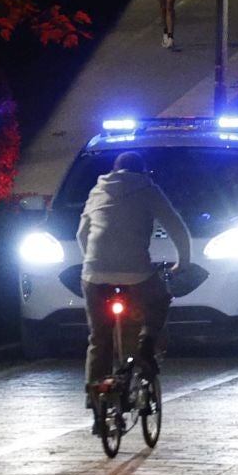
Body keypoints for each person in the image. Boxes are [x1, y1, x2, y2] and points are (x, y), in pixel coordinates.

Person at [76, 151, 194, 434]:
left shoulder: (98, 189)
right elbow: (176, 226)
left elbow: (81, 234)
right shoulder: (147, 189)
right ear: (142, 171)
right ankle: (145, 345)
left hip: (94, 274)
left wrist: (93, 263)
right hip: (135, 274)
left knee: (99, 338)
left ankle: (97, 409)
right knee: (159, 299)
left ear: (115, 170)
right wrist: (184, 261)